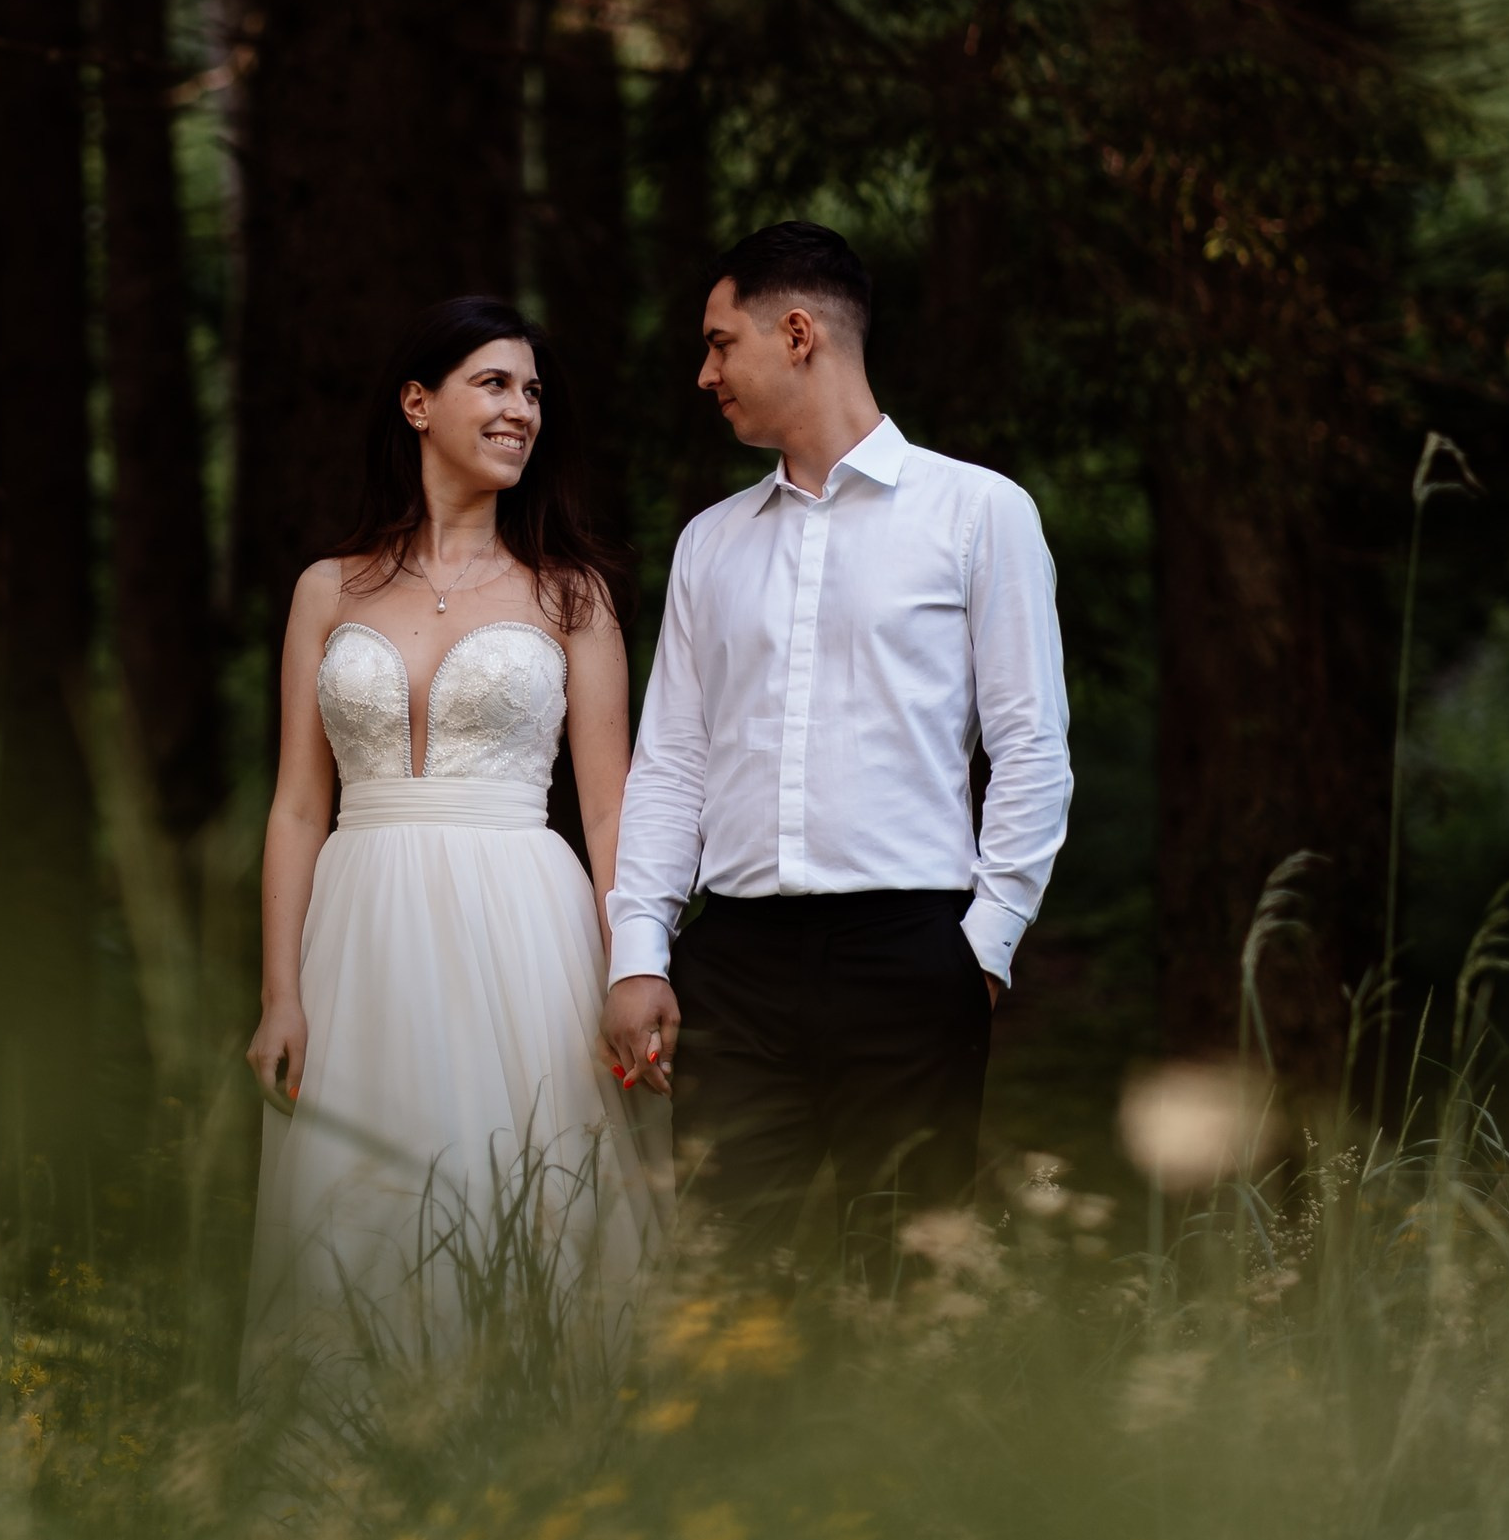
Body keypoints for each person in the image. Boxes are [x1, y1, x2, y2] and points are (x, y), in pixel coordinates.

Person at [600, 222, 1072, 1268]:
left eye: (722, 344)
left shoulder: (978, 513)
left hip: (911, 958)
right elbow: (672, 761)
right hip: (732, 968)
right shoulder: (709, 543)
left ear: (799, 333)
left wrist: (981, 947)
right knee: (728, 1279)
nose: (704, 373)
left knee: (901, 1283)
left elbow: (1032, 746)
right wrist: (640, 950)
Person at [243, 296, 669, 1380]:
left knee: (515, 1184)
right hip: (361, 925)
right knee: (360, 1200)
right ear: (417, 402)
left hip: (521, 922)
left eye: (531, 393)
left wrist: (636, 965)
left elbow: (611, 806)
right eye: (494, 384)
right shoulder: (326, 590)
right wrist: (280, 992)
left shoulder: (571, 595)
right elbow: (297, 802)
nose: (521, 410)